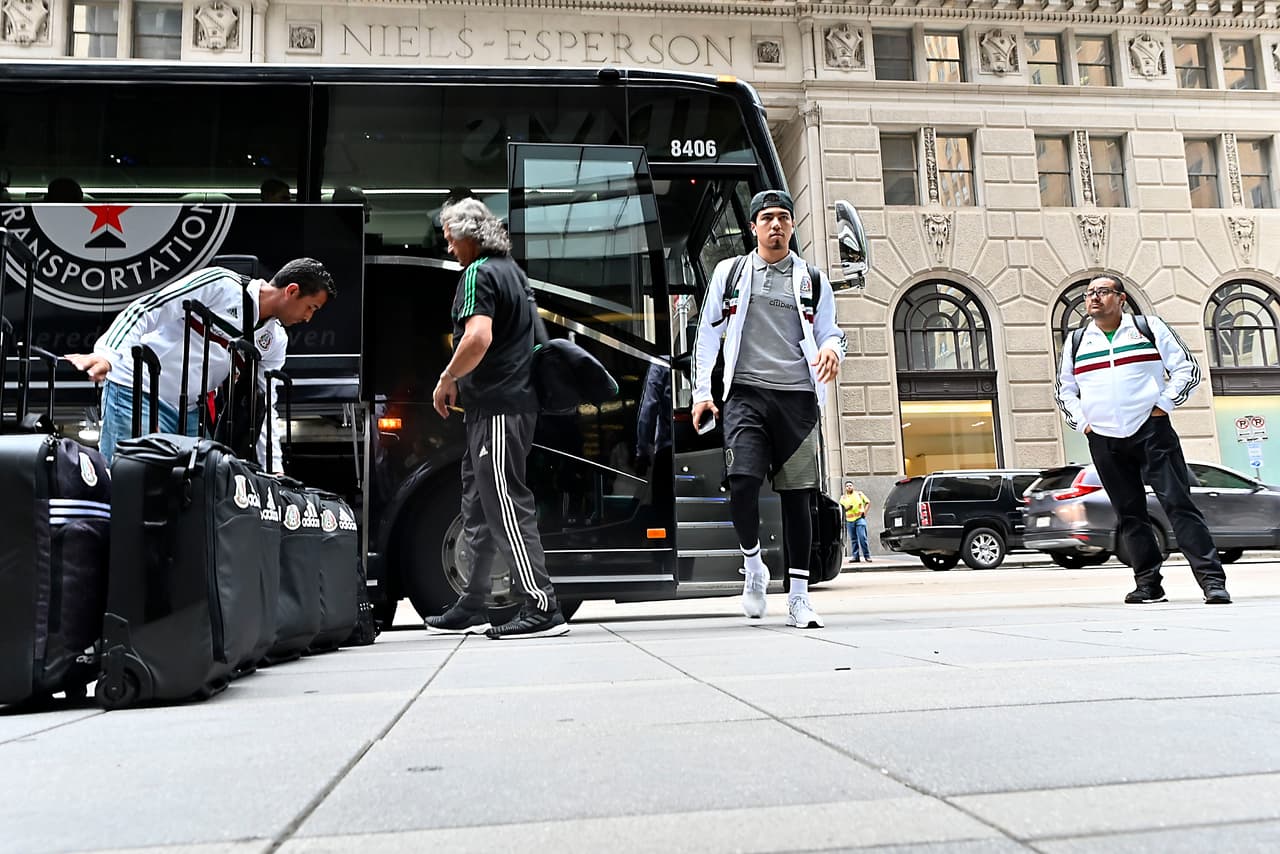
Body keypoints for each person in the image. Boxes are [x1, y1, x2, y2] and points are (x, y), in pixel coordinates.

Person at [692, 189, 846, 629]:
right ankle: (754, 564)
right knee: (741, 485)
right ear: (753, 227)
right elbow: (707, 334)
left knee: (799, 499)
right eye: (767, 218)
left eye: (783, 218)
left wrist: (833, 349)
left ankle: (798, 596)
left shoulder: (812, 279)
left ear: (792, 226)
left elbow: (832, 332)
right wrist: (703, 392)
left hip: (797, 398)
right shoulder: (732, 272)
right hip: (744, 395)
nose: (775, 225)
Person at [426, 198, 568, 639]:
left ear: (468, 235)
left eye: (450, 240)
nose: (449, 249)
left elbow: (479, 335)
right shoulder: (512, 271)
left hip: (500, 407)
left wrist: (448, 376)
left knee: (505, 503)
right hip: (501, 407)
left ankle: (542, 606)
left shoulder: (479, 273)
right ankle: (474, 601)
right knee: (479, 504)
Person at [1055, 274, 1231, 605]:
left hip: (1152, 431)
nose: (1094, 297)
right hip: (1104, 438)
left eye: (1103, 292)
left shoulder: (1148, 327)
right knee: (1129, 513)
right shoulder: (1077, 341)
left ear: (1121, 298)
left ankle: (1212, 582)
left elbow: (1186, 368)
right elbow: (1064, 389)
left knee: (1179, 505)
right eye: (1090, 293)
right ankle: (1148, 584)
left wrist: (1163, 405)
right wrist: (1084, 424)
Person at [66, 258, 335, 466]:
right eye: (311, 307)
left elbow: (262, 408)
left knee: (185, 501)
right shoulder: (221, 284)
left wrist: (273, 467)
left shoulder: (275, 341)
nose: (308, 318)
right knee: (125, 487)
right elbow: (148, 307)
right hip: (136, 391)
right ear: (292, 290)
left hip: (189, 411)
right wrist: (107, 354)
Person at [839, 481, 872, 563]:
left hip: (860, 519)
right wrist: (847, 508)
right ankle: (855, 556)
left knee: (862, 537)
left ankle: (867, 556)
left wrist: (865, 511)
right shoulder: (843, 498)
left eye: (850, 485)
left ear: (853, 486)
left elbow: (868, 502)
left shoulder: (859, 494)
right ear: (845, 488)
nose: (849, 487)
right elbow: (841, 509)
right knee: (853, 539)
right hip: (849, 521)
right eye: (847, 486)